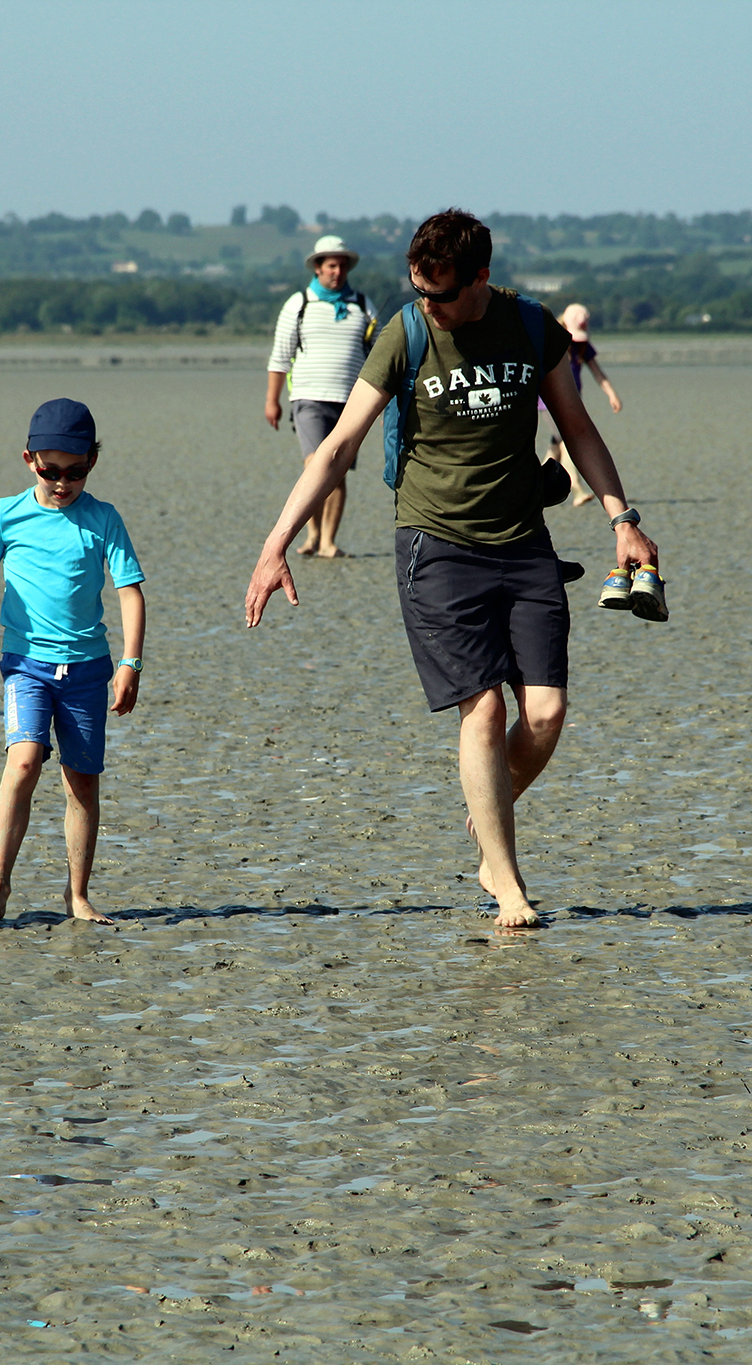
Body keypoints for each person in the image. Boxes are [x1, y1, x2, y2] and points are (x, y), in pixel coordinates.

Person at [244, 209, 658, 929]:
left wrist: (623, 521)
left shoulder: (531, 328)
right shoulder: (404, 334)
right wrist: (276, 541)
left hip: (523, 540)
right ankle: (509, 882)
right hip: (435, 545)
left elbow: (578, 430)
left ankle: (486, 812)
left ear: (482, 278)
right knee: (484, 708)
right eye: (419, 291)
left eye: (442, 295)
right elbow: (339, 444)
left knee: (547, 713)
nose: (429, 306)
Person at [0, 399, 146, 927]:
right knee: (23, 761)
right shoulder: (6, 515)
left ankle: (77, 895)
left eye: (76, 472)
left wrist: (130, 663)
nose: (62, 482)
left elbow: (130, 592)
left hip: (89, 669)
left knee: (82, 781)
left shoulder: (103, 519)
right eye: (50, 471)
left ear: (93, 462)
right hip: (26, 664)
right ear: (29, 459)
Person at [264, 235, 378, 558]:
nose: (337, 271)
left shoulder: (362, 305)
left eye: (342, 266)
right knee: (316, 465)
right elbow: (280, 356)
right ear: (317, 268)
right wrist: (272, 400)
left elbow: (382, 352)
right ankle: (311, 534)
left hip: (351, 399)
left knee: (337, 470)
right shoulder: (298, 304)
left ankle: (328, 540)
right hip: (308, 397)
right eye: (331, 266)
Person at [544, 303, 622, 507]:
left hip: (571, 401)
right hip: (548, 402)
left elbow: (597, 372)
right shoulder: (553, 339)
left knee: (555, 446)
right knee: (567, 441)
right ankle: (577, 490)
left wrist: (612, 394)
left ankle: (536, 486)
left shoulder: (582, 346)